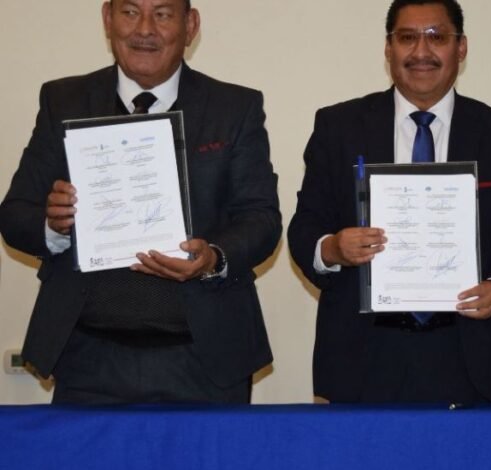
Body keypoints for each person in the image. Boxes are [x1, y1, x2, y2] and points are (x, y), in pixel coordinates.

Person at [0, 0, 281, 404]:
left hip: (204, 358)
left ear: (190, 25)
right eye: (130, 12)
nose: (144, 29)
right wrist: (52, 224)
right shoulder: (63, 100)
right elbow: (14, 214)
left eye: (162, 14)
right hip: (88, 357)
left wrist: (213, 258)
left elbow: (261, 219)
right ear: (107, 19)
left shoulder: (235, 108)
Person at [288, 0, 491, 404]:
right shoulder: (338, 127)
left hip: (467, 356)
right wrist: (333, 247)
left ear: (461, 47)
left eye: (436, 37)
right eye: (407, 38)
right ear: (388, 48)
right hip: (361, 359)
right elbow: (304, 230)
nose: (421, 52)